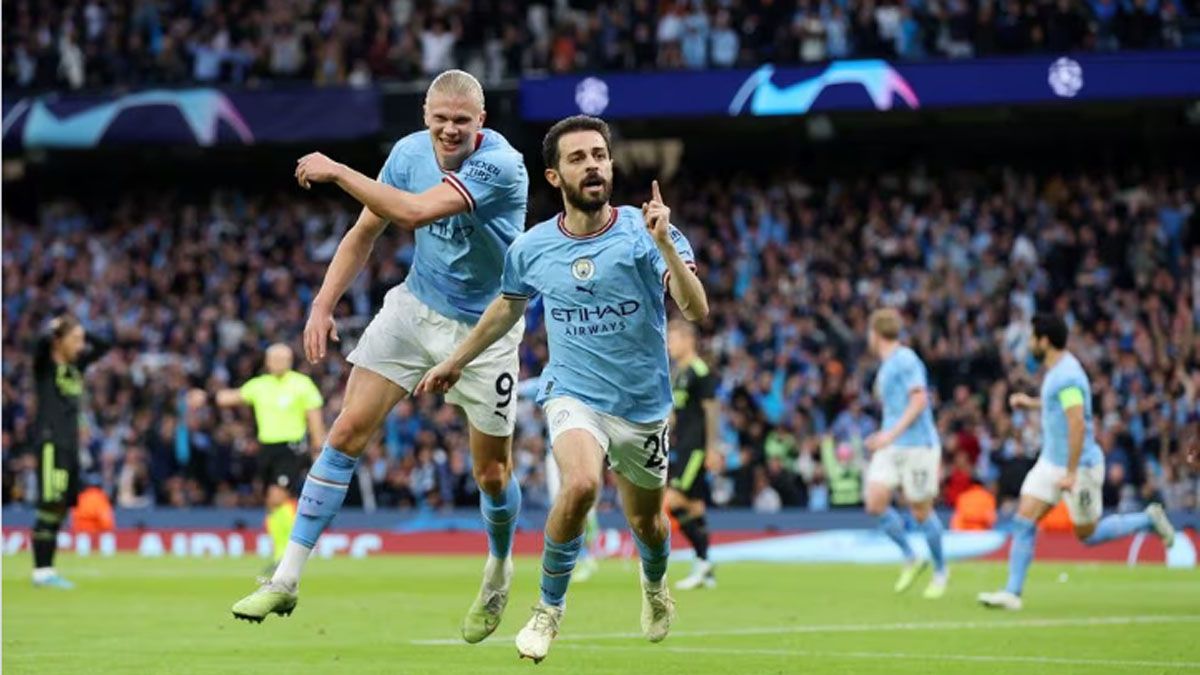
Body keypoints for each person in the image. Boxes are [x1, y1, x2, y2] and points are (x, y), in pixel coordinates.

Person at [231, 70, 530, 645]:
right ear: (425, 115)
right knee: (344, 433)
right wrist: (322, 305)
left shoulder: (502, 165)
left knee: (491, 473)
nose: (449, 129)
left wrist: (340, 170)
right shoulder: (408, 152)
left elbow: (417, 213)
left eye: (461, 121)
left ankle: (498, 568)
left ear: (480, 124)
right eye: (439, 118)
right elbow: (366, 231)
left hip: (486, 329)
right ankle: (287, 577)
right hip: (414, 308)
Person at [417, 114, 708, 663]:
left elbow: (696, 307)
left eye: (599, 155)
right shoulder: (531, 248)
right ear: (555, 177)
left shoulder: (647, 232)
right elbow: (506, 307)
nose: (592, 165)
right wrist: (457, 360)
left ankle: (654, 586)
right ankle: (548, 610)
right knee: (577, 486)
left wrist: (665, 243)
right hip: (574, 394)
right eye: (578, 158)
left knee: (647, 521)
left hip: (643, 408)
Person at [978, 314, 1177, 610]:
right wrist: (1030, 403)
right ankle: (1012, 592)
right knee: (1023, 519)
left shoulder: (1067, 374)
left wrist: (1071, 473)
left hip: (1080, 466)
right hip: (1050, 461)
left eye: (1033, 338)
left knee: (1088, 535)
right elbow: (1061, 404)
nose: (1030, 343)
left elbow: (1077, 423)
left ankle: (1147, 519)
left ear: (1044, 341)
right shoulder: (1056, 370)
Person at [191, 344, 324, 569]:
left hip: (291, 448)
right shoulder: (260, 385)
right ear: (268, 361)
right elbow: (231, 397)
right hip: (267, 449)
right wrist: (205, 397)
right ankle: (282, 552)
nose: (280, 362)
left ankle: (288, 554)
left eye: (284, 358)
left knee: (277, 497)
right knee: (272, 502)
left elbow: (314, 416)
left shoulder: (301, 384)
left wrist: (318, 445)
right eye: (275, 358)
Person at [863, 308, 948, 599]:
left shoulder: (905, 359)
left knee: (921, 510)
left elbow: (920, 399)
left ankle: (940, 570)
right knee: (875, 501)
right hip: (892, 445)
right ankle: (911, 556)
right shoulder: (887, 365)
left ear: (875, 333)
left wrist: (889, 434)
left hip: (918, 445)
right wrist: (884, 435)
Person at [29, 314, 110, 589]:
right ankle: (41, 572)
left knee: (60, 507)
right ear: (59, 341)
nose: (80, 344)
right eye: (74, 339)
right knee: (50, 503)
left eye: (81, 339)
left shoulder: (77, 366)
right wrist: (54, 326)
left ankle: (46, 570)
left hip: (70, 445)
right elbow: (39, 343)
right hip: (52, 443)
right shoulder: (45, 366)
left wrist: (80, 328)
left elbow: (105, 345)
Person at [665, 319, 720, 590]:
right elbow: (675, 414)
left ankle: (702, 561)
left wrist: (712, 447)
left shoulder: (699, 371)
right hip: (682, 447)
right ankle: (704, 567)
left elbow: (711, 410)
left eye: (673, 339)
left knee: (673, 502)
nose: (669, 344)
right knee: (696, 507)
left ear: (688, 340)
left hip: (696, 448)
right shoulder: (677, 373)